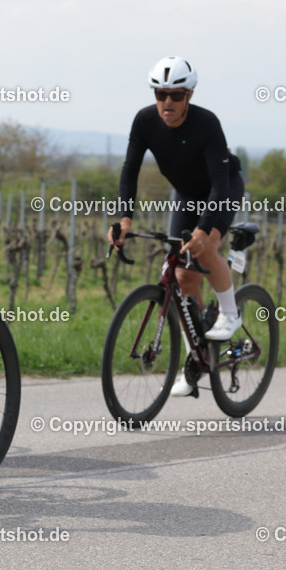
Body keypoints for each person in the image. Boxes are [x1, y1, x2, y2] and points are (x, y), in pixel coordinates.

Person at [108, 56, 245, 396]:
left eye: (176, 95)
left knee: (207, 246)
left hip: (221, 190)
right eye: (161, 94)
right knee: (183, 277)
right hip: (186, 195)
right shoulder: (144, 121)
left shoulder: (206, 123)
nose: (167, 102)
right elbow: (130, 170)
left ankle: (230, 314)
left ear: (190, 95)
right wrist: (125, 219)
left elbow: (218, 183)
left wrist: (205, 227)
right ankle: (195, 360)